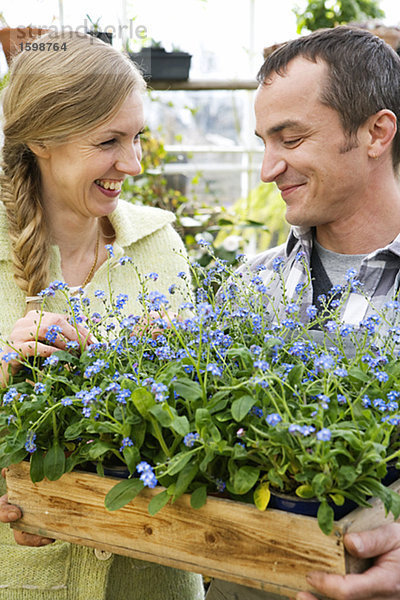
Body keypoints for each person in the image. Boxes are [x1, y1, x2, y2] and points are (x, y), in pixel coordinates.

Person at [0, 31, 204, 600]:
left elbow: (202, 413)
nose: (133, 163)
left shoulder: (159, 243)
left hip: (156, 577)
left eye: (137, 137)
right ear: (42, 138)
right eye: (110, 140)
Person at [206, 26, 400, 600]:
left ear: (376, 132)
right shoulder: (250, 287)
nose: (268, 169)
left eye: (290, 140)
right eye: (264, 141)